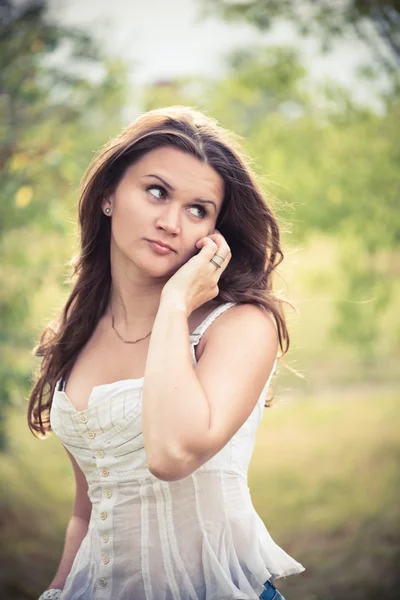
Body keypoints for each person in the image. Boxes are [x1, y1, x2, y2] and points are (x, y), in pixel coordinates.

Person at [28, 105, 305, 600]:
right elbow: (87, 508)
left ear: (213, 234)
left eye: (198, 210)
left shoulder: (239, 325)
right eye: (156, 192)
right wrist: (57, 588)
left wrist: (176, 303)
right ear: (110, 195)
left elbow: (172, 453)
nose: (172, 222)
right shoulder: (78, 331)